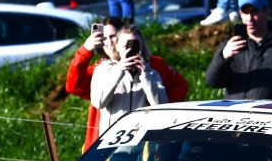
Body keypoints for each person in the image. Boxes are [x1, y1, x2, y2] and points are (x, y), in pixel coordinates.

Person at [66, 17, 187, 153]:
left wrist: (165, 118)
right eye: (103, 39)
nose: (109, 43)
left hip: (144, 146)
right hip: (104, 146)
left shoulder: (153, 65)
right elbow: (74, 86)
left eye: (113, 37)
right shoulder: (101, 68)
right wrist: (85, 51)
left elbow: (180, 86)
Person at [205, 0, 272, 100]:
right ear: (240, 14)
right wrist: (223, 57)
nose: (250, 18)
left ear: (266, 12)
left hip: (267, 115)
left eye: (254, 11)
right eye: (246, 13)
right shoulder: (230, 46)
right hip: (234, 114)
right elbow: (213, 82)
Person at [90, 26, 167, 133]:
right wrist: (119, 70)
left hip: (141, 140)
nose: (130, 50)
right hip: (112, 141)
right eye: (127, 45)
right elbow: (99, 102)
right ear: (117, 46)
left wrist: (145, 77)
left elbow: (162, 108)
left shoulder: (152, 74)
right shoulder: (103, 70)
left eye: (135, 45)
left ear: (142, 48)